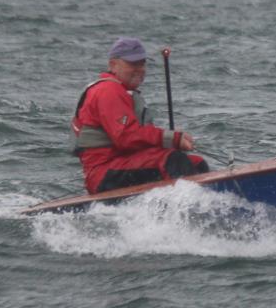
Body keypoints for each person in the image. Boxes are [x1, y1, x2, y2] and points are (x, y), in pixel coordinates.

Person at [71, 37, 209, 194]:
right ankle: (190, 211)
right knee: (173, 160)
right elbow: (126, 137)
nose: (139, 69)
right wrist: (172, 138)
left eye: (142, 63)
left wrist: (170, 140)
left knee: (196, 163)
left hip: (123, 163)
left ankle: (210, 204)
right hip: (103, 172)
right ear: (113, 65)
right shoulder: (107, 91)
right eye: (132, 63)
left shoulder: (124, 93)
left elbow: (138, 139)